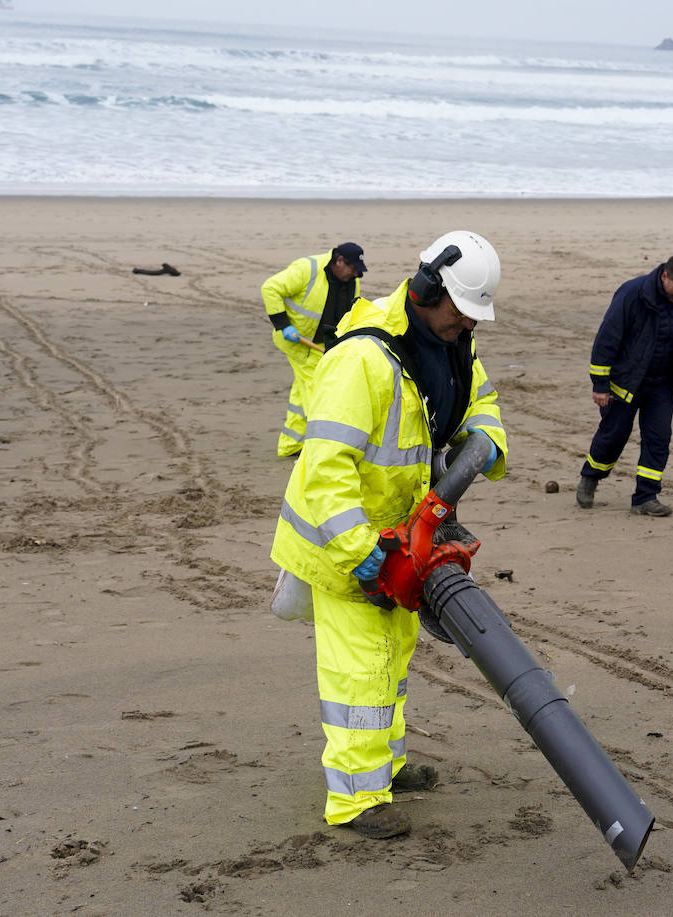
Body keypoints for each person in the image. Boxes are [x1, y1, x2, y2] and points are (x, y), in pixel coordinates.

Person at [269, 230, 508, 839]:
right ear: (429, 288)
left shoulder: (453, 343)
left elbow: (480, 401)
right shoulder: (361, 360)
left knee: (393, 659)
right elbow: (325, 471)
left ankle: (387, 768)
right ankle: (356, 801)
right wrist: (362, 556)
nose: (466, 325)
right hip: (345, 542)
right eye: (460, 311)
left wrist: (484, 444)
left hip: (403, 535)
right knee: (359, 674)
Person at [576, 255, 673, 516]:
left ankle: (645, 497)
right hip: (625, 383)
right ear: (664, 277)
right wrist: (600, 384)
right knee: (613, 437)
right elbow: (606, 340)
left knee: (659, 439)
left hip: (663, 385)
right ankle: (591, 477)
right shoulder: (632, 294)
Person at [260, 242, 367, 457]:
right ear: (338, 261)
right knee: (317, 392)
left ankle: (290, 444)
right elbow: (270, 288)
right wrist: (283, 325)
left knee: (302, 395)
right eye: (353, 269)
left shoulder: (350, 281)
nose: (355, 274)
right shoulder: (307, 269)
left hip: (322, 345)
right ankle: (322, 447)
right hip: (299, 342)